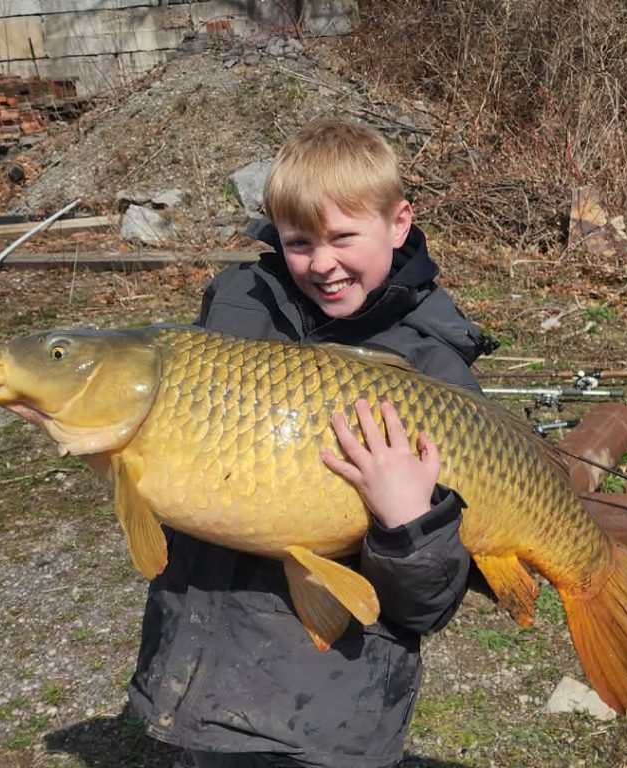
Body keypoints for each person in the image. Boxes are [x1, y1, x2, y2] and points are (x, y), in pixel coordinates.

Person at [128, 118, 496, 768]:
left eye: (344, 238)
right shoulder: (236, 309)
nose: (321, 263)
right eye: (299, 242)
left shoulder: (433, 370)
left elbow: (430, 602)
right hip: (202, 678)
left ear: (399, 223)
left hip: (328, 719)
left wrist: (410, 521)